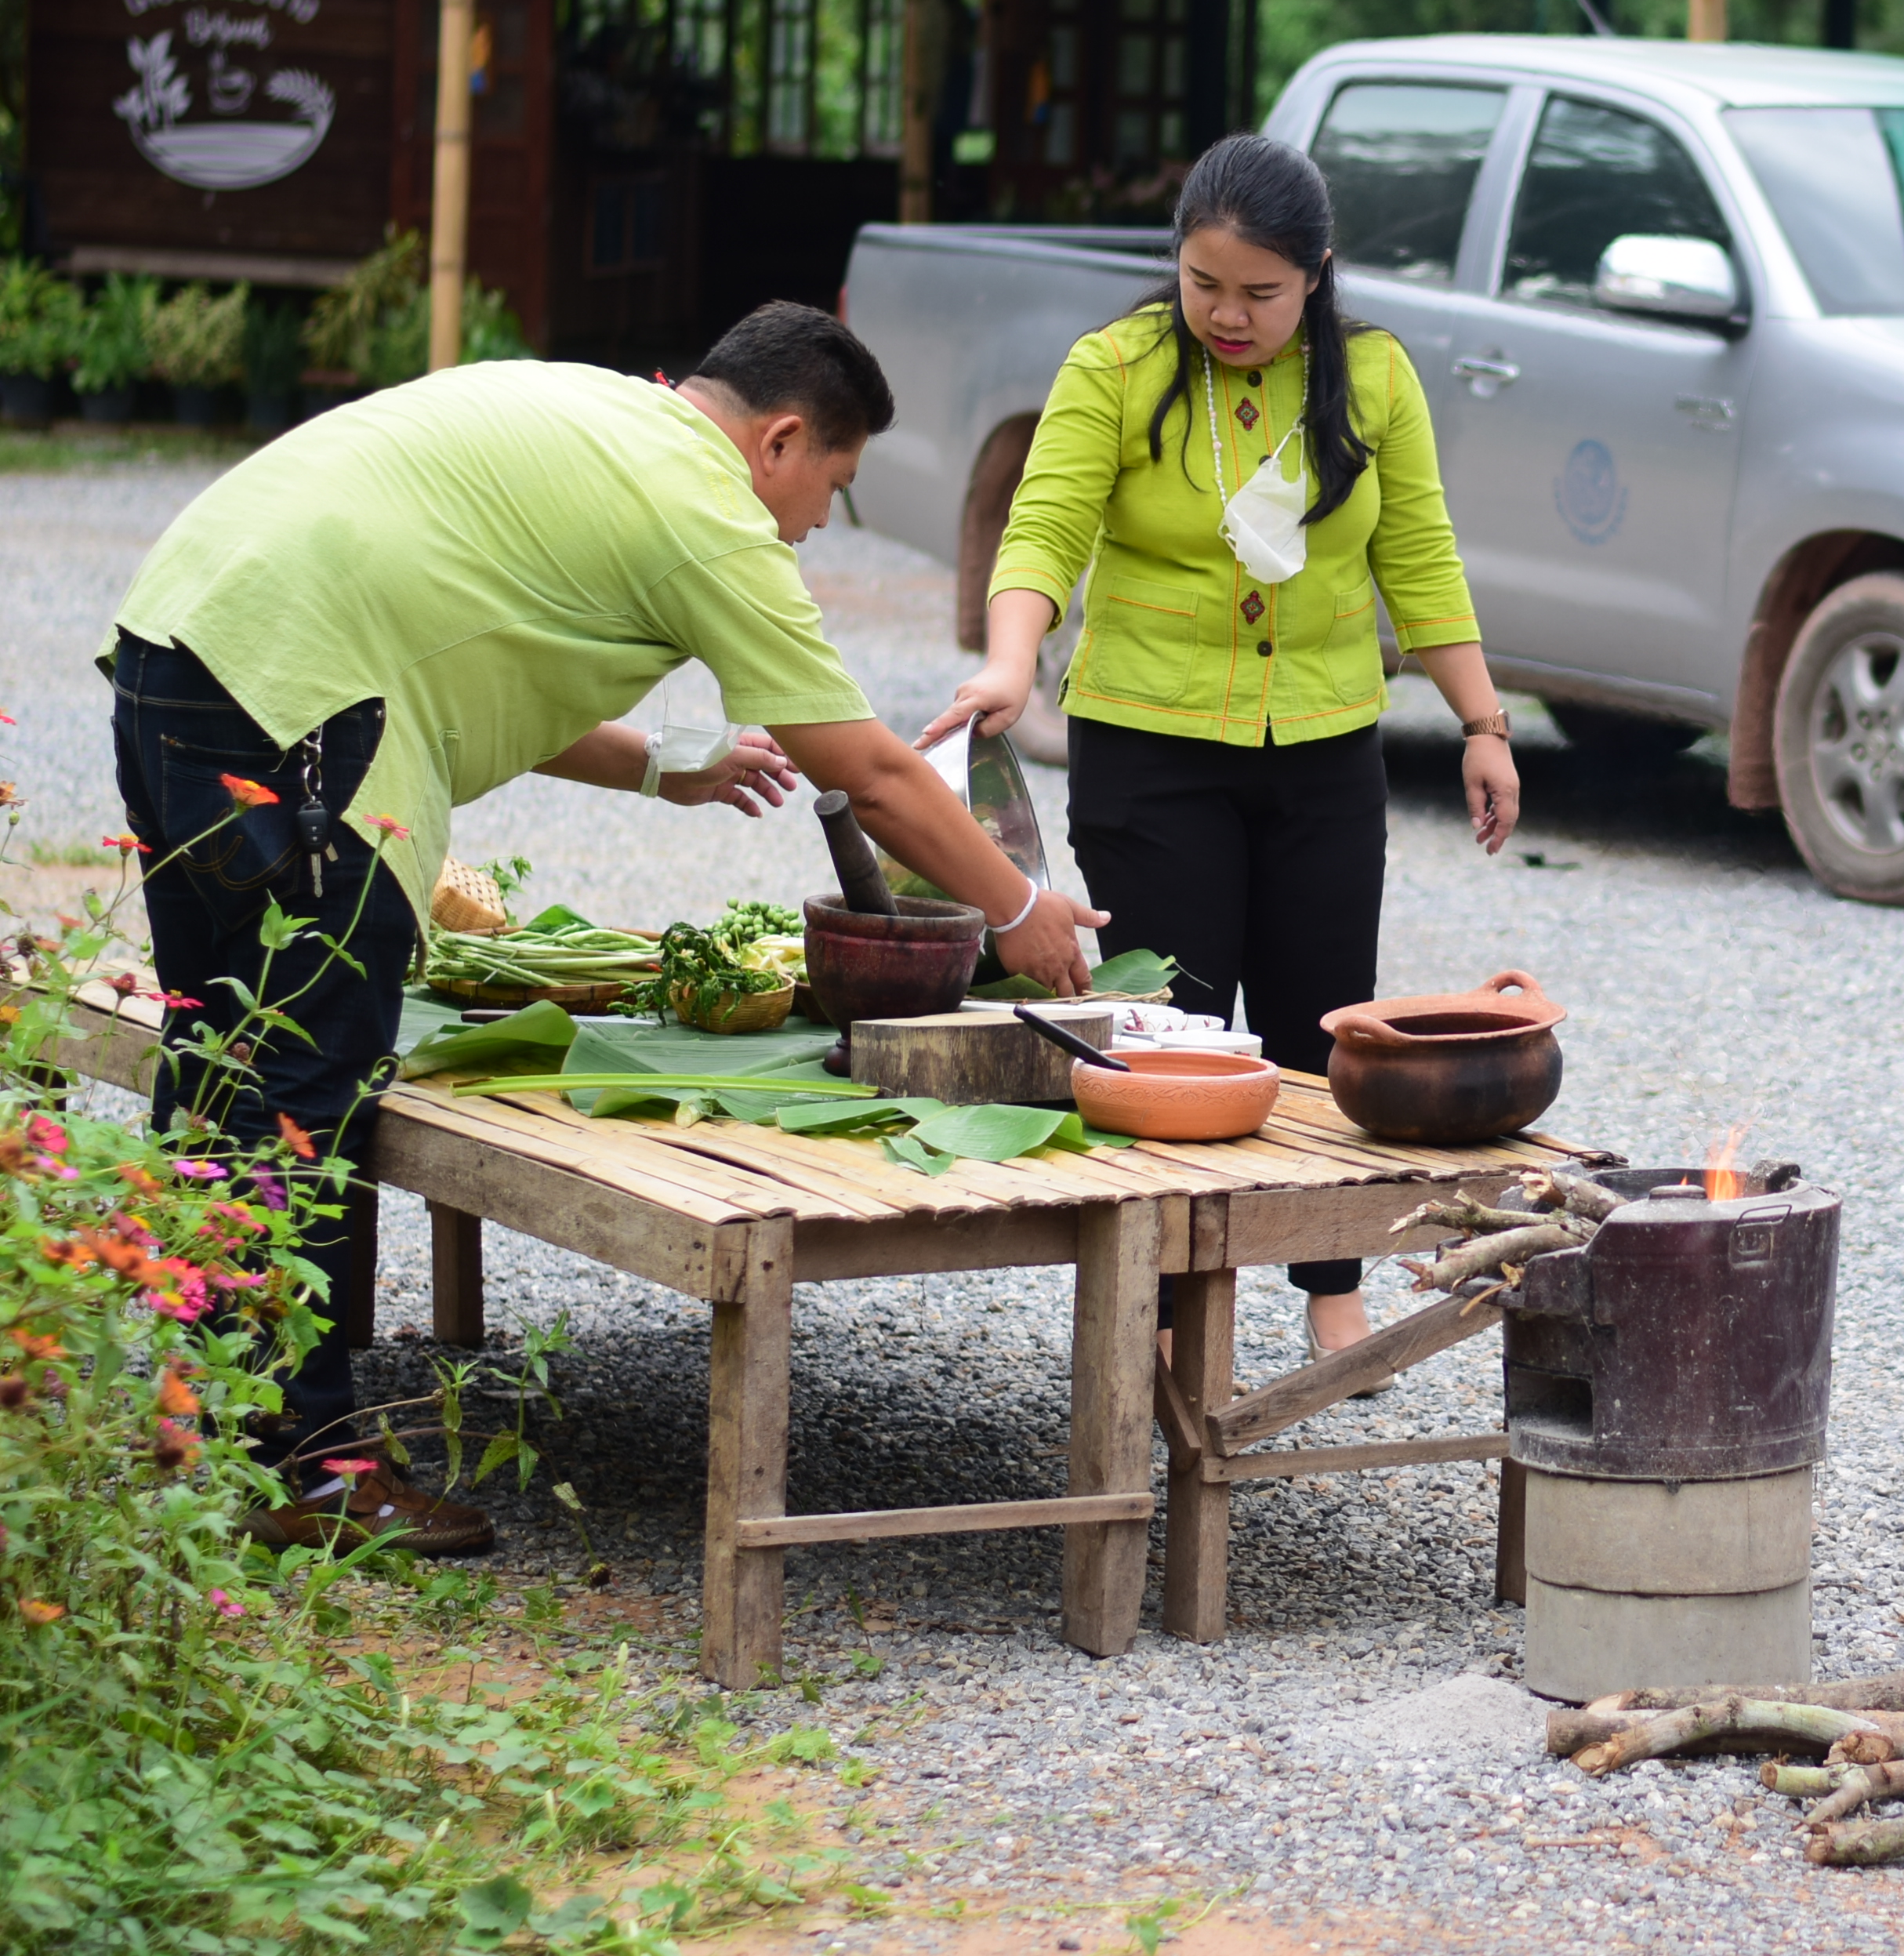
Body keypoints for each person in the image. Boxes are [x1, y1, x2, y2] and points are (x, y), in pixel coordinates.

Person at [107, 303, 1100, 1554]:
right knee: (304, 1083)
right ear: (781, 440)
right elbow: (871, 770)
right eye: (829, 488)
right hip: (300, 705)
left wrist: (654, 765)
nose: (811, 524)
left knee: (221, 1054)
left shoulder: (599, 409)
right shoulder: (711, 514)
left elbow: (469, 632)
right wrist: (1020, 910)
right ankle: (298, 1466)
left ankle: (202, 1412)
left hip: (182, 644)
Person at [930, 136, 1518, 1370]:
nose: (1228, 316)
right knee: (1175, 1030)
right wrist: (1009, 660)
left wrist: (1481, 723)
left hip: (1323, 744)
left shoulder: (1372, 379)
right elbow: (1044, 531)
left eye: (1260, 292)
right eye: (1205, 285)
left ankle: (1329, 1285)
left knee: (1322, 1025)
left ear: (1318, 275)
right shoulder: (1119, 367)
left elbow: (1418, 553)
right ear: (1176, 267)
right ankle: (1163, 1305)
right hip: (1151, 744)